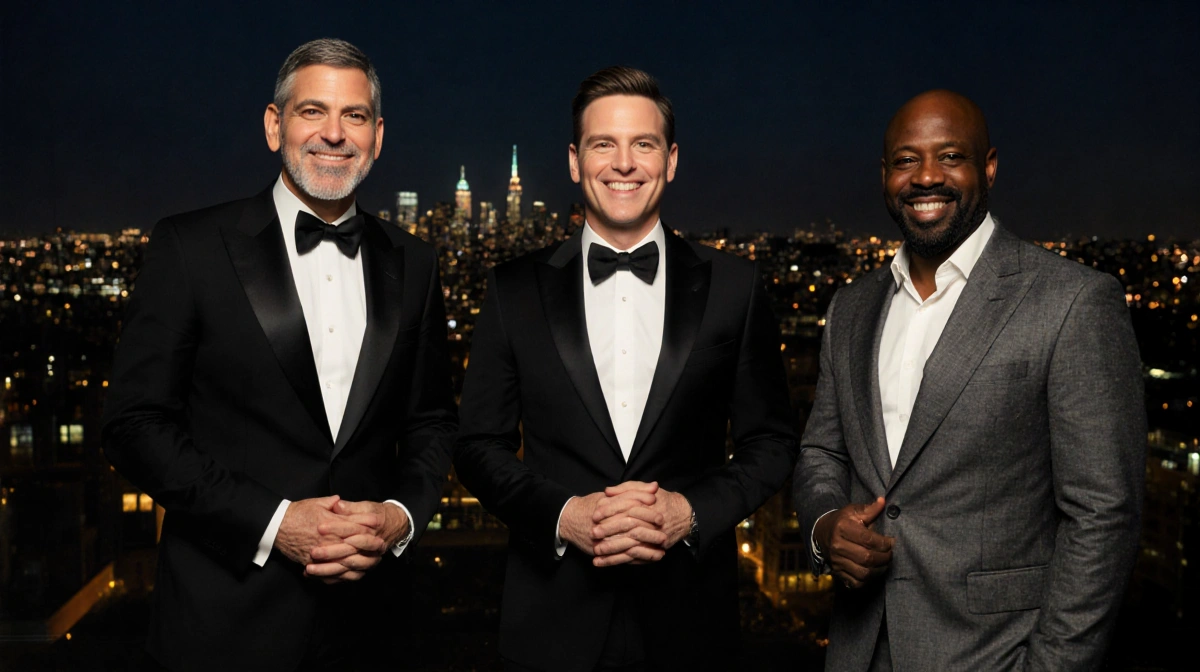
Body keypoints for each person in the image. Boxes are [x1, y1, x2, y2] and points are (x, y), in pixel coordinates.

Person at [102, 38, 456, 671]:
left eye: (354, 116)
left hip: (374, 631)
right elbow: (134, 425)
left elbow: (431, 422)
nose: (334, 134)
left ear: (377, 136)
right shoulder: (190, 246)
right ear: (274, 126)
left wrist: (400, 517)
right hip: (221, 628)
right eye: (312, 111)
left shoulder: (417, 263)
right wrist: (273, 522)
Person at [453, 66, 797, 671]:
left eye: (643, 144)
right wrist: (565, 516)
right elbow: (479, 444)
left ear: (670, 160)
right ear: (573, 160)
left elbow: (770, 442)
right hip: (551, 625)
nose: (623, 163)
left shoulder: (734, 286)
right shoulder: (512, 289)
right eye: (602, 144)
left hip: (691, 623)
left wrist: (690, 512)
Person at [793, 89, 1145, 671]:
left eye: (949, 156)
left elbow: (1104, 515)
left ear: (989, 167)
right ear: (885, 176)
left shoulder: (1074, 302)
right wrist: (826, 524)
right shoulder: (851, 309)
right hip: (857, 650)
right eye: (907, 160)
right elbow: (820, 450)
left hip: (994, 657)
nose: (925, 177)